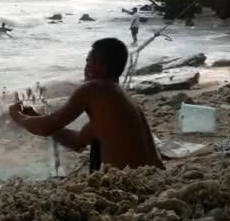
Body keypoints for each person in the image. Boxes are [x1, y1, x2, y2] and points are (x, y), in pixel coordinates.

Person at [9, 38, 164, 172]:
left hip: (134, 185)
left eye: (88, 62)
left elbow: (45, 128)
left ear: (99, 65)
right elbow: (77, 142)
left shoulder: (95, 87)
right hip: (154, 179)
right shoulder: (121, 100)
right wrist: (36, 116)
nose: (85, 68)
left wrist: (18, 117)